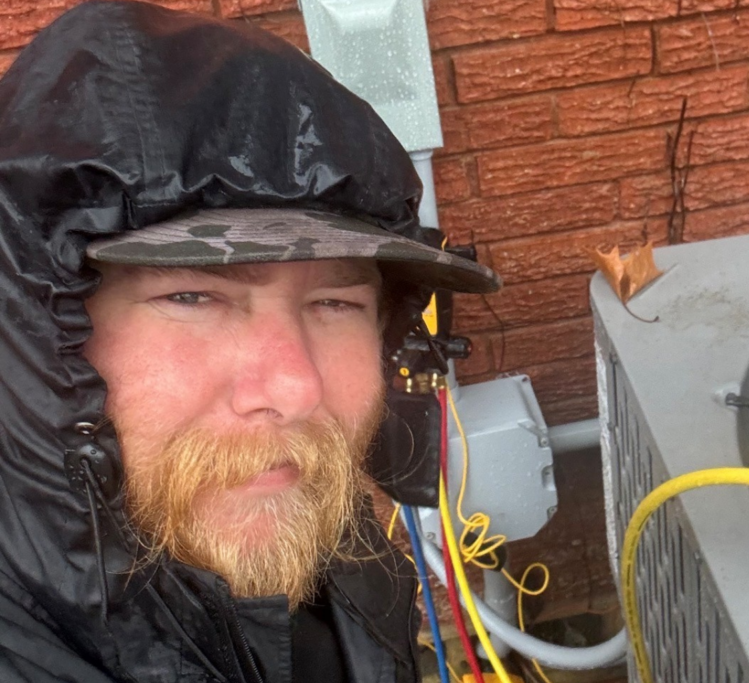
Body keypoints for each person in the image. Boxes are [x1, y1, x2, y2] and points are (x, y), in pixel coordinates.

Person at [0, 1, 499, 682]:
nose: (298, 388)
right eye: (192, 295)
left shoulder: (338, 545)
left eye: (335, 301)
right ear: (34, 336)